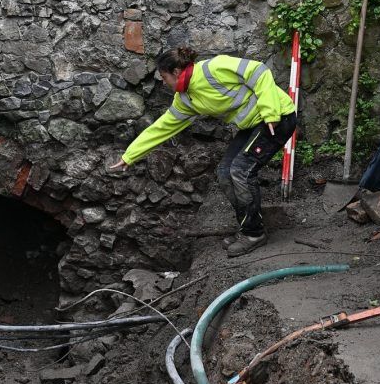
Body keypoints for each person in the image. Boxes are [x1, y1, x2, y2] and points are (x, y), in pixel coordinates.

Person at [109, 46, 297, 255]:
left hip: (278, 117)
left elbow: (258, 71)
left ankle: (254, 234)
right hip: (252, 126)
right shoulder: (185, 99)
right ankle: (248, 228)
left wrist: (270, 112)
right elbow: (162, 128)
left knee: (240, 171)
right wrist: (130, 156)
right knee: (225, 173)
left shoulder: (213, 68)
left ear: (176, 72)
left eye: (163, 77)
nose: (162, 83)